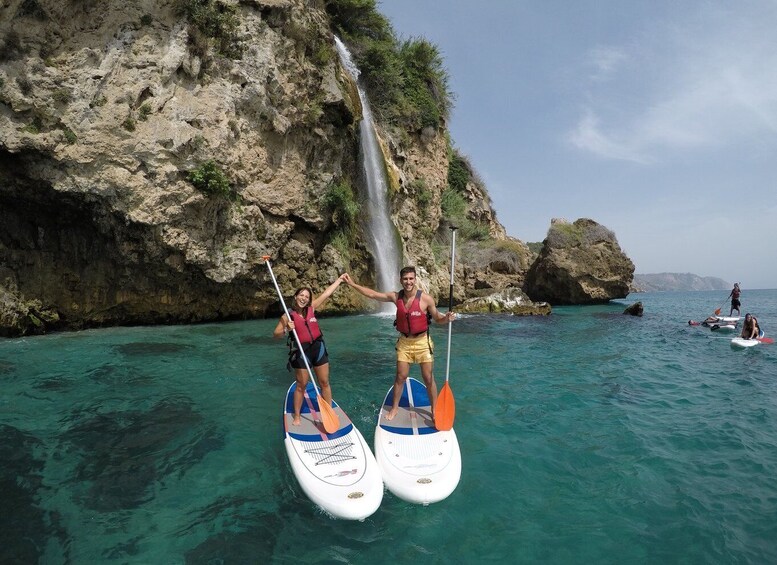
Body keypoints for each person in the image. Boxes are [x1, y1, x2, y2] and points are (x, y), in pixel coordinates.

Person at [342, 267, 455, 421]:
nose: (408, 282)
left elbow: (437, 318)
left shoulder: (426, 299)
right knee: (400, 377)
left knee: (428, 377)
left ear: (415, 279)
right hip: (404, 342)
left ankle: (434, 409)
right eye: (405, 279)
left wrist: (446, 319)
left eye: (411, 278)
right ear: (401, 280)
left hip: (423, 342)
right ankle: (394, 408)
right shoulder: (396, 297)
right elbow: (373, 294)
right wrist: (353, 284)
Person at [273, 274, 346, 425]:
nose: (304, 298)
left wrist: (339, 280)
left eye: (306, 296)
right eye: (301, 295)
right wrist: (286, 328)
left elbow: (326, 294)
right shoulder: (287, 316)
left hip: (318, 348)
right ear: (295, 296)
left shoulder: (311, 308)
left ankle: (329, 411)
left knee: (324, 382)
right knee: (301, 385)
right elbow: (276, 335)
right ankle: (297, 416)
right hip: (301, 352)